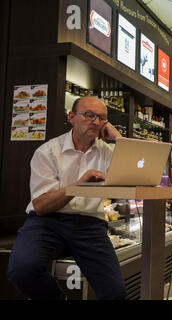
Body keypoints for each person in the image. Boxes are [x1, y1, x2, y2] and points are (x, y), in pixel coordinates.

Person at [7, 96, 127, 300]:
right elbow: (41, 206)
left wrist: (118, 139)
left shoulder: (108, 152)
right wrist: (78, 186)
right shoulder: (47, 152)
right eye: (89, 115)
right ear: (71, 117)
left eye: (102, 118)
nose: (96, 122)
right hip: (47, 223)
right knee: (22, 270)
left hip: (91, 225)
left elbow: (138, 169)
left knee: (115, 293)